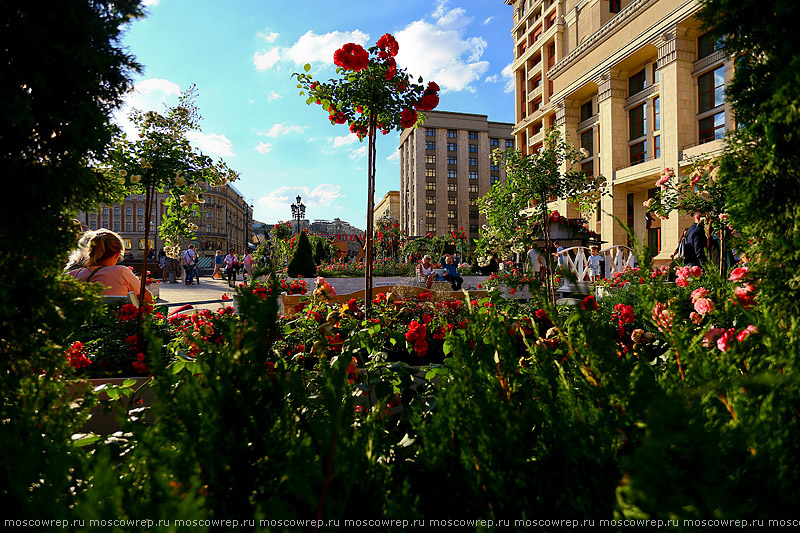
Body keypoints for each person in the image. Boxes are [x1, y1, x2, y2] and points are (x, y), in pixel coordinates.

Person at [66, 229, 153, 305]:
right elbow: (149, 300)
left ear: (90, 252)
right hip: (115, 322)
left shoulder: (72, 275)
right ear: (118, 254)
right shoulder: (121, 272)